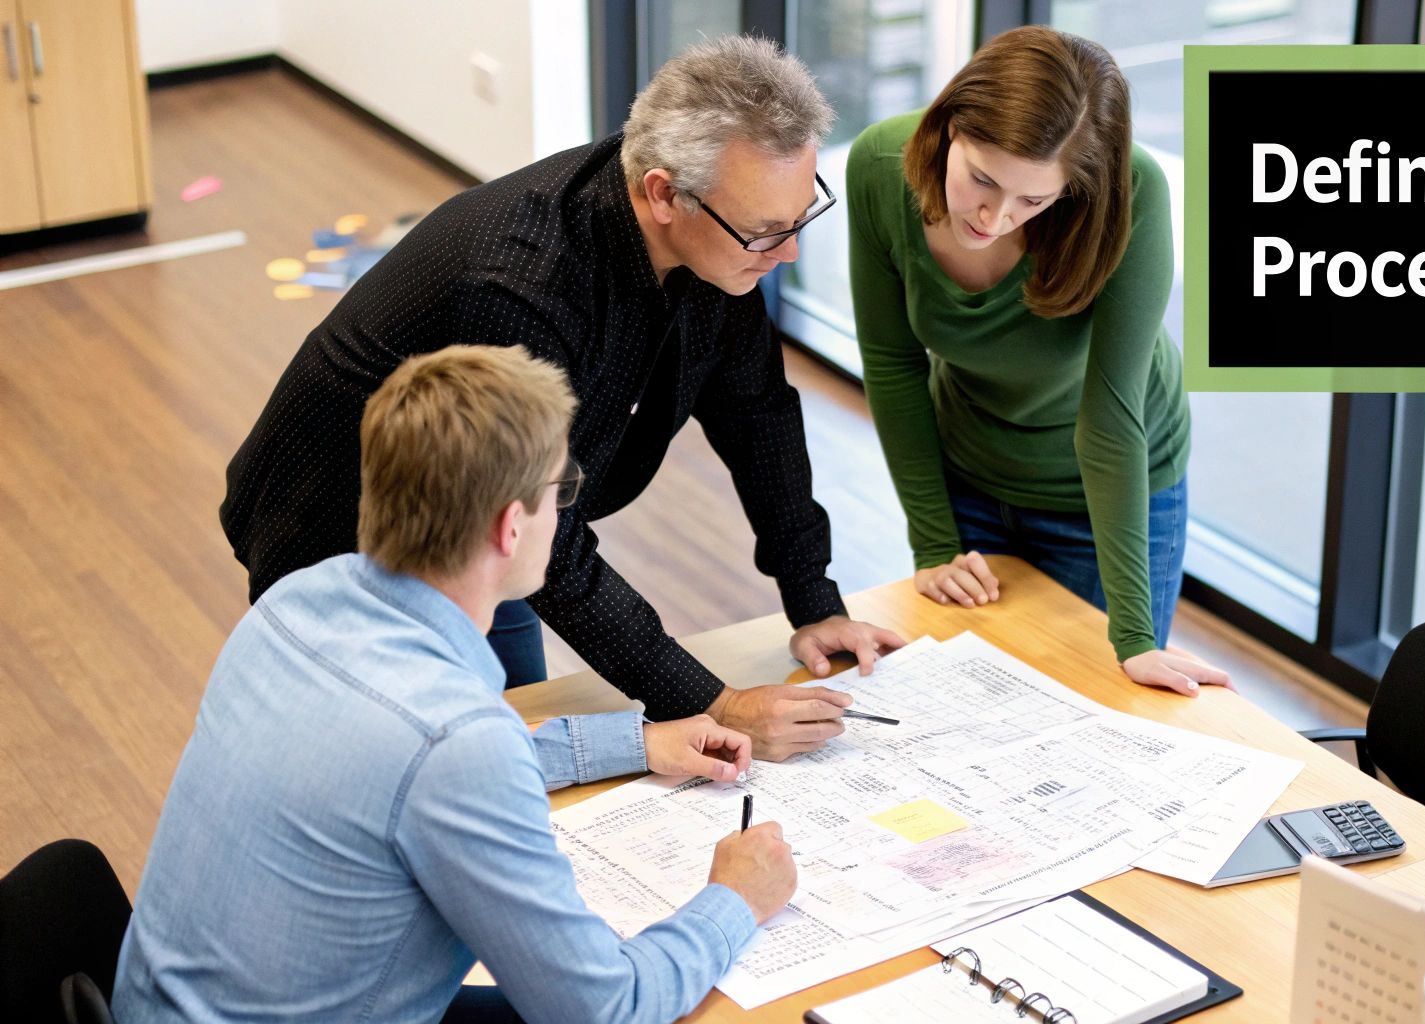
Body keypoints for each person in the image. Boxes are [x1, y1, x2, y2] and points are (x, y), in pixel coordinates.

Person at [220, 36, 903, 759]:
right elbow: (555, 532)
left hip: (496, 536)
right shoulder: (523, 287)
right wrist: (715, 704)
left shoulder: (720, 241)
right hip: (349, 537)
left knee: (515, 746)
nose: (787, 252)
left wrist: (813, 598)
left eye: (799, 218)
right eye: (765, 231)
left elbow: (757, 412)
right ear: (664, 193)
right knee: (435, 760)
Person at [115, 346, 797, 1023]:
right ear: (510, 526)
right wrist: (736, 898)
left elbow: (400, 770)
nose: (563, 511)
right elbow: (604, 1007)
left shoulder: (291, 606)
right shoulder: (454, 741)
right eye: (560, 490)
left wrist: (635, 744)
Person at [845, 26, 1228, 696]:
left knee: (1094, 702)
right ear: (950, 124)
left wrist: (1135, 638)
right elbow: (891, 362)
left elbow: (1111, 418)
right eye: (981, 179)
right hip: (970, 469)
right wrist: (933, 543)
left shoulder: (1132, 192)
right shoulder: (880, 165)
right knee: (967, 701)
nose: (994, 217)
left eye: (1033, 200)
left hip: (1104, 492)